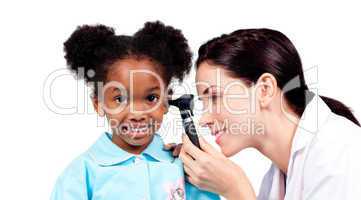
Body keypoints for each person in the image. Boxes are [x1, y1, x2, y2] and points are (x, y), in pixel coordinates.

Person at [172, 28, 361, 199]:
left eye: (214, 97)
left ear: (264, 89)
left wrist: (236, 189)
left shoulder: (339, 152)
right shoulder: (275, 180)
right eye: (203, 104)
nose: (204, 119)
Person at [50, 21, 220, 200]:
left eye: (151, 98)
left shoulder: (187, 167)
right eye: (120, 99)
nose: (137, 114)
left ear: (166, 102)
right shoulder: (80, 175)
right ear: (99, 104)